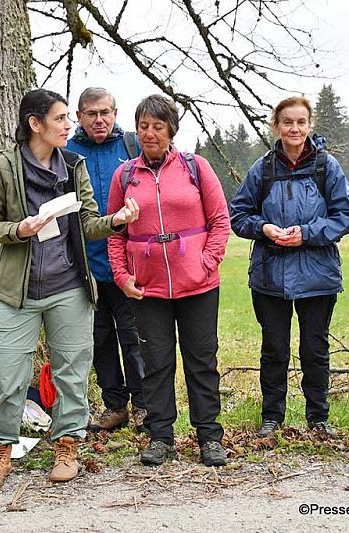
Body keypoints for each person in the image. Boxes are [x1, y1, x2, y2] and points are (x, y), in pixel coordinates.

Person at [0, 88, 139, 490]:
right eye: (61, 119)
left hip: (69, 287)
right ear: (35, 124)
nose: (70, 126)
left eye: (70, 118)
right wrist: (19, 229)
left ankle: (67, 446)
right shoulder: (4, 168)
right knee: (7, 376)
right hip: (19, 292)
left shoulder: (73, 164)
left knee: (71, 373)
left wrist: (116, 220)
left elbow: (86, 222)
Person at [107, 94, 230, 467]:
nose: (149, 133)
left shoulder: (196, 167)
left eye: (157, 126)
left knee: (201, 361)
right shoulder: (125, 174)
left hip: (198, 286)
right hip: (148, 289)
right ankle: (161, 437)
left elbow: (220, 221)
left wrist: (206, 262)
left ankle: (209, 436)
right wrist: (122, 276)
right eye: (143, 126)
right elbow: (115, 233)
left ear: (171, 130)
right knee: (156, 363)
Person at [230, 96, 349, 439]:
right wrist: (263, 228)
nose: (295, 129)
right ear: (277, 126)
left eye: (301, 122)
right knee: (274, 350)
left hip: (318, 275)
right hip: (270, 276)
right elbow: (238, 216)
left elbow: (344, 215)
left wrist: (306, 234)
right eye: (288, 122)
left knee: (315, 350)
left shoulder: (326, 166)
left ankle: (318, 419)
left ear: (310, 126)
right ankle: (272, 418)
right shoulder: (263, 169)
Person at [66, 87, 147, 433]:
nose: (99, 120)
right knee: (99, 340)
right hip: (85, 266)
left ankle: (144, 404)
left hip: (128, 265)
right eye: (91, 114)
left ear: (115, 113)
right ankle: (114, 405)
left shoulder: (131, 147)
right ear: (79, 117)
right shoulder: (66, 153)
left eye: (105, 113)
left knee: (135, 338)